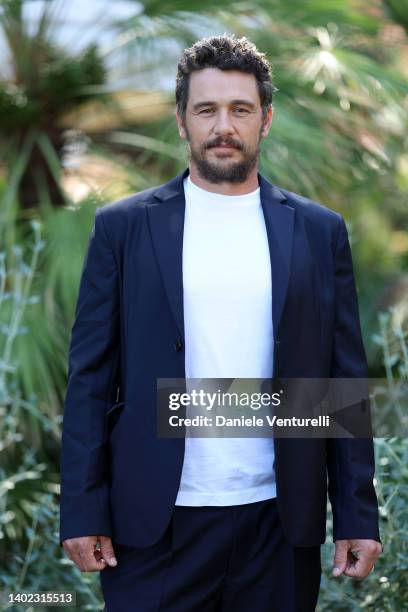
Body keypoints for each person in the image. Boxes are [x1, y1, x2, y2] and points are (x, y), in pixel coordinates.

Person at [60, 35, 382, 611]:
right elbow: (89, 378)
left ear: (266, 119)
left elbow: (341, 376)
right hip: (153, 528)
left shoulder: (317, 230)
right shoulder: (123, 228)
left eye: (240, 109)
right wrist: (82, 511)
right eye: (206, 109)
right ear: (182, 121)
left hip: (277, 525)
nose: (223, 125)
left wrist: (358, 514)